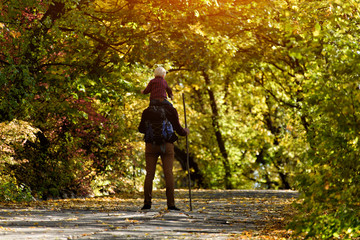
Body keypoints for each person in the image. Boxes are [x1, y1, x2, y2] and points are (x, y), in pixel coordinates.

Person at [138, 102, 189, 211]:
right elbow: (178, 129)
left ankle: (147, 203)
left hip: (151, 145)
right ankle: (171, 204)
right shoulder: (171, 110)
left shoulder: (147, 111)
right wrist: (185, 132)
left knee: (149, 174)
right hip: (167, 145)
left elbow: (141, 129)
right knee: (168, 173)